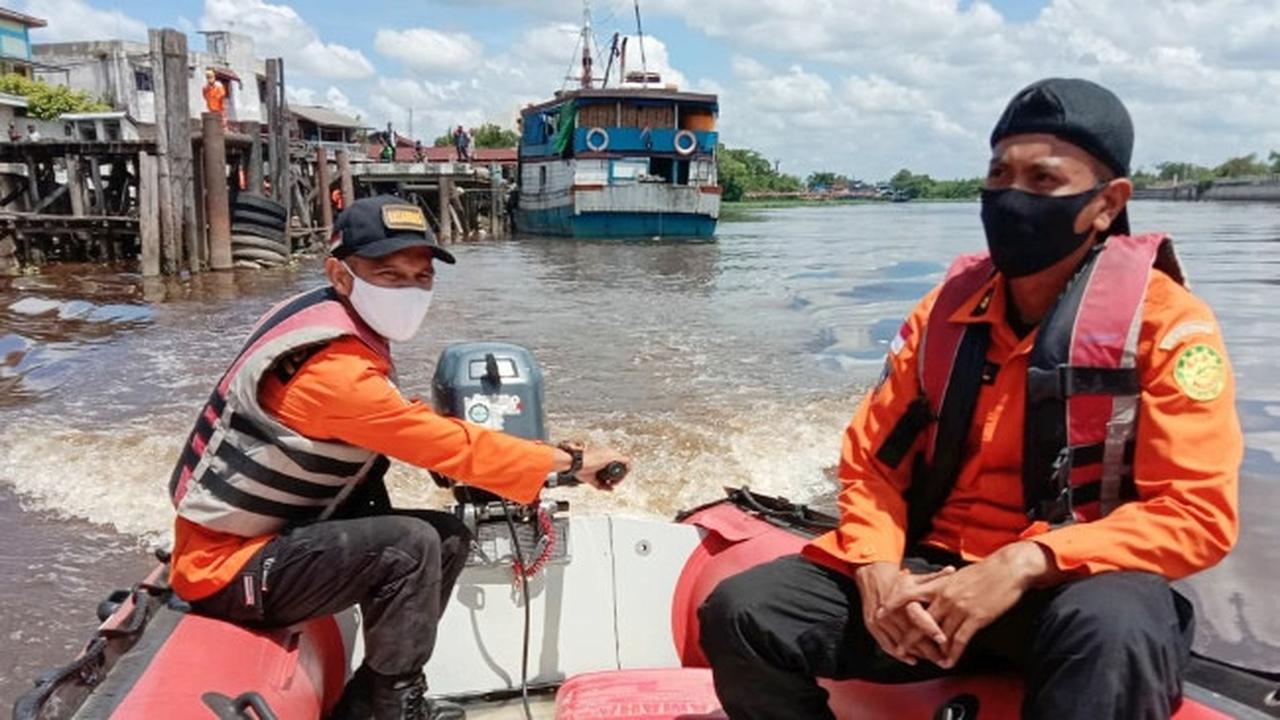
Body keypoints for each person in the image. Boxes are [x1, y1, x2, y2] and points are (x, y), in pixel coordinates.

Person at [698, 78, 1240, 720]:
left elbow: (1197, 514)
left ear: (1106, 203)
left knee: (1114, 630)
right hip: (933, 578)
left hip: (1073, 586)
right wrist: (876, 569)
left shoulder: (1169, 327)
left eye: (1043, 181)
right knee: (744, 612)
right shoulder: (944, 315)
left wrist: (1024, 561)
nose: (1012, 197)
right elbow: (871, 464)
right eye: (1000, 174)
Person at [167, 195, 629, 720]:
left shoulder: (329, 323)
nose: (409, 289)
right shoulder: (333, 373)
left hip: (275, 538)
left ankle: (375, 697)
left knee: (447, 537)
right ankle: (390, 712)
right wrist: (571, 462)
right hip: (227, 567)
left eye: (421, 276)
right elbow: (437, 440)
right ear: (339, 275)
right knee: (407, 547)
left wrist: (478, 457)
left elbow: (399, 425)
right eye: (388, 274)